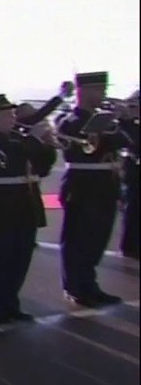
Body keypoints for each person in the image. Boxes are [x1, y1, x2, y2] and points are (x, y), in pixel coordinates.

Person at [0, 95, 58, 324]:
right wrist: (34, 141)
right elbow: (7, 161)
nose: (12, 118)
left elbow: (43, 166)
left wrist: (47, 144)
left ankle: (11, 303)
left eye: (12, 114)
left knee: (21, 256)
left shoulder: (18, 139)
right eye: (6, 114)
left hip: (24, 203)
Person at [58, 72, 129, 307]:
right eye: (97, 89)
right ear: (83, 91)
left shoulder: (104, 120)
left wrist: (122, 120)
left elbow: (125, 142)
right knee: (79, 239)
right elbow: (78, 144)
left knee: (98, 238)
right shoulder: (69, 119)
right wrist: (107, 127)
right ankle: (76, 287)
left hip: (105, 185)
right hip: (82, 185)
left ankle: (89, 284)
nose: (102, 94)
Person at [120, 94, 140, 260]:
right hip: (135, 169)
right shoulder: (128, 123)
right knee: (133, 209)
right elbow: (132, 141)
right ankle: (131, 246)